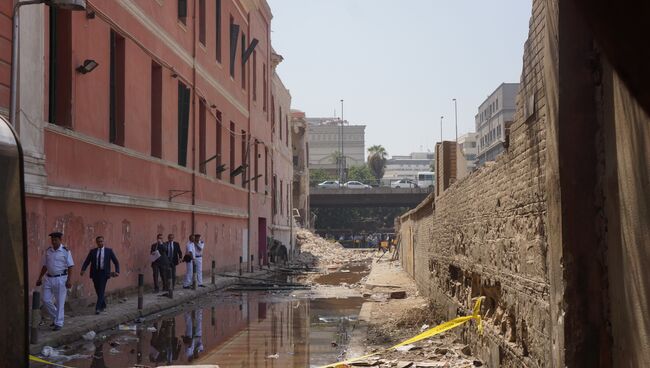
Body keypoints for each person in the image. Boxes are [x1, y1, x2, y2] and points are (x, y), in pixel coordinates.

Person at [36, 232, 74, 331]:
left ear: (60, 240)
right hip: (49, 278)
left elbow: (70, 266)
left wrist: (69, 280)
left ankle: (59, 323)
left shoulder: (65, 251)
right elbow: (45, 266)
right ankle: (56, 318)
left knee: (60, 302)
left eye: (55, 239)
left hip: (61, 278)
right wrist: (39, 278)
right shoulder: (48, 251)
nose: (53, 241)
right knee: (45, 299)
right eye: (52, 240)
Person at [81, 236, 120, 314]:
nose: (100, 243)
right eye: (98, 241)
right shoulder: (92, 251)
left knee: (101, 289)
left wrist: (117, 271)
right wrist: (83, 269)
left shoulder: (109, 251)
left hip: (104, 273)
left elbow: (116, 262)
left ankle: (98, 308)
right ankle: (103, 304)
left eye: (101, 241)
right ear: (96, 243)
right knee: (97, 290)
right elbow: (87, 261)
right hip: (95, 273)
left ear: (104, 241)